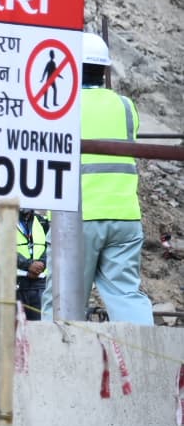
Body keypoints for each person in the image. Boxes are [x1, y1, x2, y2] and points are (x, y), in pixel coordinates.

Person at [79, 33, 154, 324]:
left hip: (79, 216)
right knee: (125, 295)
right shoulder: (126, 106)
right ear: (105, 70)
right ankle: (152, 365)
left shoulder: (62, 105)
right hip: (124, 216)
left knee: (63, 297)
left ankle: (55, 364)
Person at [16, 208, 51, 321]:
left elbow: (51, 246)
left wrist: (42, 264)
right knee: (15, 330)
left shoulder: (42, 221)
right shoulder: (3, 221)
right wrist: (28, 266)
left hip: (40, 283)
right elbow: (3, 248)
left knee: (41, 327)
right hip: (16, 283)